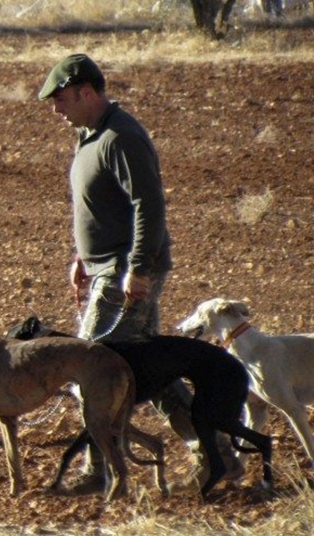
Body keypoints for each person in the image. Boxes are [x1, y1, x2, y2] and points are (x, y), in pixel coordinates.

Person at [39, 53, 242, 493]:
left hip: (124, 272)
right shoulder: (89, 135)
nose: (56, 109)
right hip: (106, 267)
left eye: (60, 99)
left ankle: (100, 471)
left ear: (86, 92)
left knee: (94, 368)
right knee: (152, 371)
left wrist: (137, 269)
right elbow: (99, 207)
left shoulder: (122, 136)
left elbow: (147, 206)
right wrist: (82, 258)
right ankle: (217, 456)